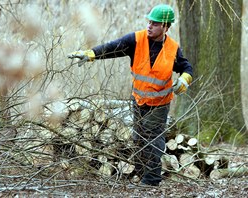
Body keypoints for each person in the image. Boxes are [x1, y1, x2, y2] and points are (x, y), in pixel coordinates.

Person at [68, 4, 193, 187]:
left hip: (159, 103)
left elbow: (186, 67)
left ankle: (151, 181)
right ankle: (142, 174)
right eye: (149, 21)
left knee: (152, 138)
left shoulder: (172, 49)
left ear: (166, 27)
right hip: (138, 100)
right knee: (138, 138)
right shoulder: (136, 40)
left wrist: (184, 79)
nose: (150, 26)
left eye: (155, 24)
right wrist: (90, 54)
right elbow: (112, 47)